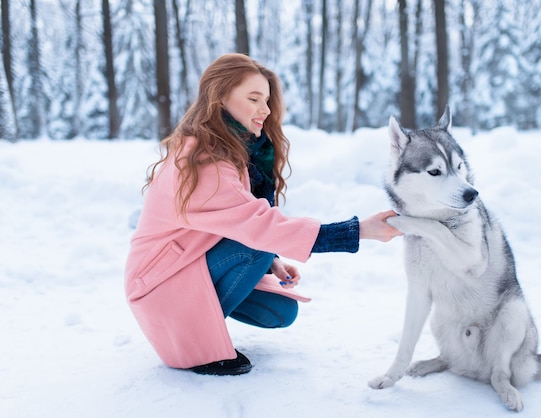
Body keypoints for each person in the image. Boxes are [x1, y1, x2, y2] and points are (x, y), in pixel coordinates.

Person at [124, 53, 401, 376]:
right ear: (220, 98)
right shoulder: (201, 158)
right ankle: (196, 348)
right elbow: (257, 226)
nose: (265, 110)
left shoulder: (236, 150)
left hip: (186, 264)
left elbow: (239, 218)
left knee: (280, 311)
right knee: (257, 244)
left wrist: (272, 260)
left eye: (267, 100)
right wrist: (358, 231)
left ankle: (201, 324)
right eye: (253, 98)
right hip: (160, 282)